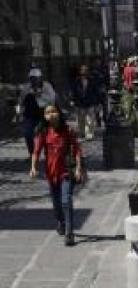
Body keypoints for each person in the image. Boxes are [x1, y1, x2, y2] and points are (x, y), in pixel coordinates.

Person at [29, 105, 85, 246]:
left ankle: (69, 233)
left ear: (59, 113)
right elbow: (36, 151)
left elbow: (77, 150)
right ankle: (61, 221)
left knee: (66, 200)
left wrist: (78, 169)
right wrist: (33, 167)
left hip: (66, 171)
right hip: (51, 174)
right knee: (56, 205)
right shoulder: (43, 132)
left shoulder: (68, 131)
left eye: (54, 111)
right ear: (45, 116)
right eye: (48, 113)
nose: (51, 115)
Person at [17, 68, 56, 155]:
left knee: (46, 133)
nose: (34, 81)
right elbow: (20, 102)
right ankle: (32, 153)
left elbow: (52, 99)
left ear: (40, 78)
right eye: (32, 79)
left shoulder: (47, 86)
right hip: (30, 113)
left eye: (36, 78)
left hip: (43, 112)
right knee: (27, 133)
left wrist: (40, 95)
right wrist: (18, 114)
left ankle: (48, 152)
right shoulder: (26, 88)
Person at [69, 65, 100, 141]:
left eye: (85, 72)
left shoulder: (92, 80)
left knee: (90, 120)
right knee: (80, 119)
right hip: (80, 103)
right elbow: (73, 91)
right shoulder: (76, 81)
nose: (84, 74)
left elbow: (96, 91)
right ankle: (82, 132)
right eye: (83, 72)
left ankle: (89, 134)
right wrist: (72, 100)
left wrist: (97, 103)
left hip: (90, 103)